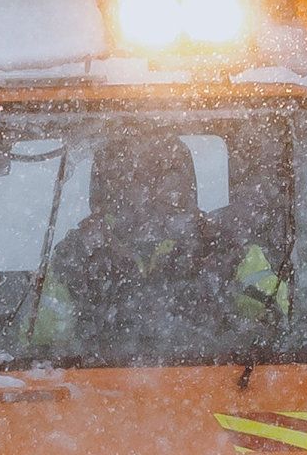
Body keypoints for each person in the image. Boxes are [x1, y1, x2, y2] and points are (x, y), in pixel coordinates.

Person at [26, 129, 290, 354]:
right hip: (94, 401)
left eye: (166, 175)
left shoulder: (225, 248)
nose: (149, 190)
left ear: (188, 186)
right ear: (105, 190)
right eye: (131, 177)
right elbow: (39, 353)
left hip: (216, 392)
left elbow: (285, 332)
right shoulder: (73, 255)